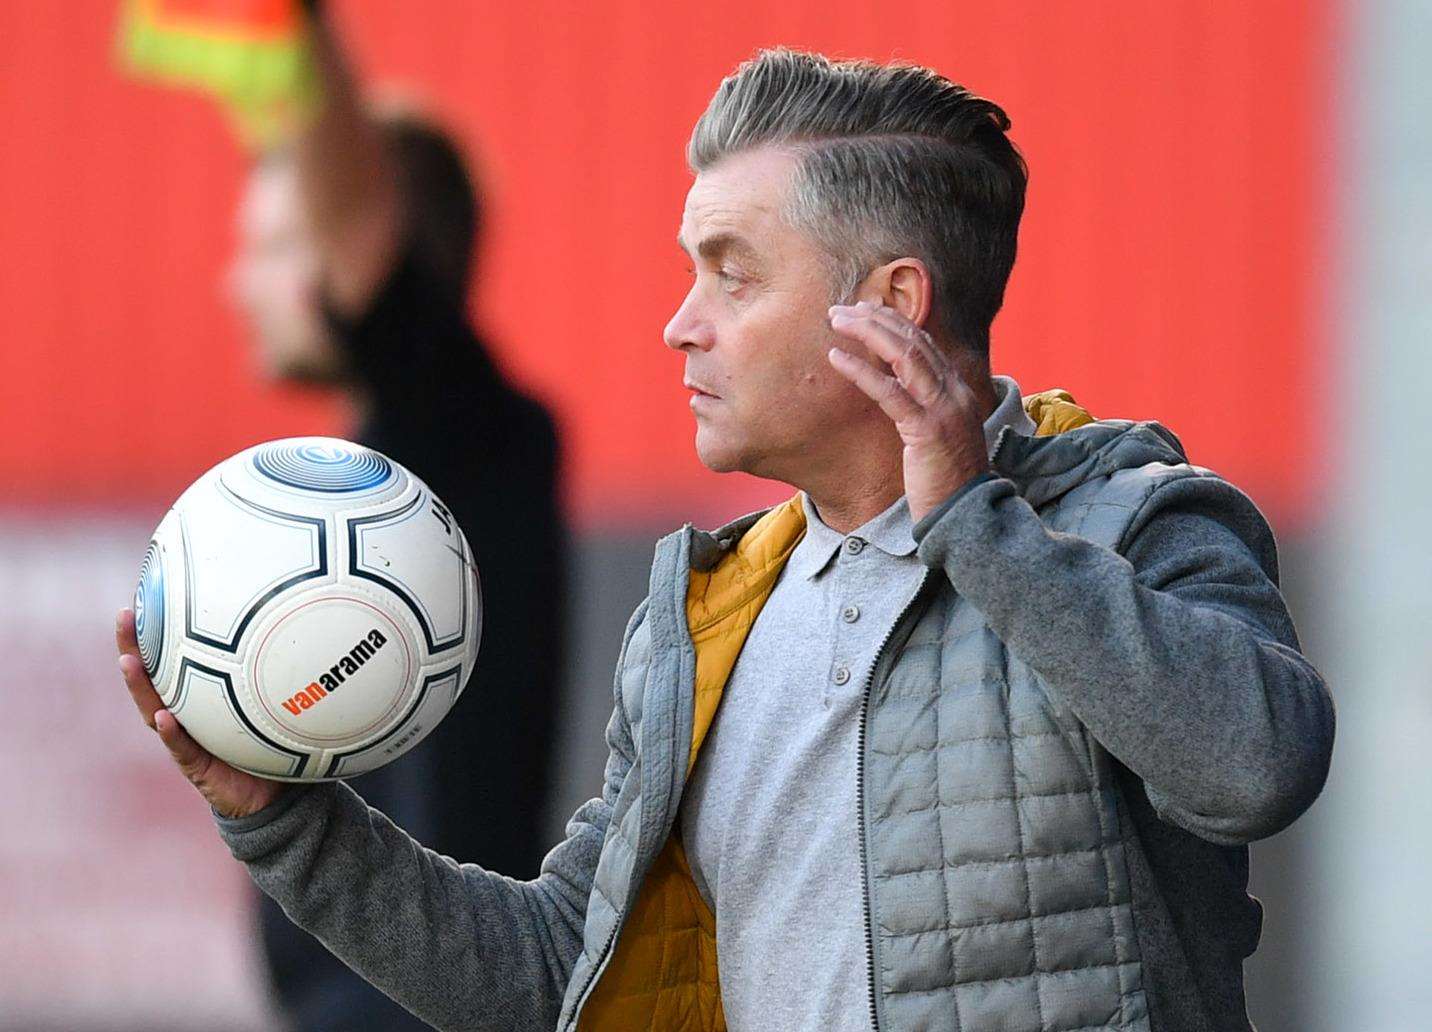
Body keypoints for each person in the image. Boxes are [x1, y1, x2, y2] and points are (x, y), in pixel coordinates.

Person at [118, 47, 1335, 1032]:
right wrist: (282, 821)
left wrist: (972, 522)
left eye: (731, 275)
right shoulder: (707, 618)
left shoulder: (1137, 518)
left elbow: (1255, 769)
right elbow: (554, 974)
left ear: (893, 309)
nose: (677, 325)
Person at [222, 6, 566, 1030]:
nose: (236, 284)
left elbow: (367, 232)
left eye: (279, 245)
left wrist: (298, 21)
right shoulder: (380, 461)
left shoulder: (460, 426)